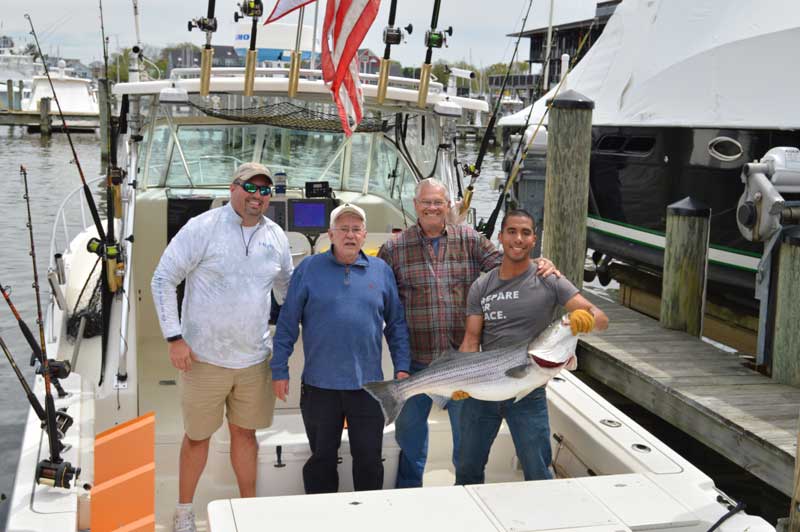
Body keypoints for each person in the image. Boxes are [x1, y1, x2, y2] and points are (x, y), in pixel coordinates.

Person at [377, 178, 559, 488]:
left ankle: (467, 497)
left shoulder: (470, 239)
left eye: (438, 202)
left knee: (467, 448)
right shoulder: (394, 248)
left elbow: (509, 266)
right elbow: (379, 297)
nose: (432, 208)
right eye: (426, 202)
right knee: (409, 440)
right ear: (415, 205)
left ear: (448, 206)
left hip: (466, 364)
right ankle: (409, 494)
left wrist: (541, 265)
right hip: (416, 362)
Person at [151, 162, 293, 532]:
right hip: (203, 358)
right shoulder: (202, 228)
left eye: (265, 191)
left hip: (254, 360)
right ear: (234, 187)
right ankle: (183, 512)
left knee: (245, 435)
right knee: (197, 437)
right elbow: (163, 279)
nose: (258, 196)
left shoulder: (276, 236)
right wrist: (174, 337)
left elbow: (286, 291)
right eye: (251, 187)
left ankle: (248, 510)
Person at [455, 209, 609, 485]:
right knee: (466, 466)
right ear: (500, 237)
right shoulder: (481, 286)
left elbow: (601, 319)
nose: (518, 238)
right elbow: (470, 340)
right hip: (484, 388)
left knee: (538, 469)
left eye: (526, 233)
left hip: (529, 390)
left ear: (534, 240)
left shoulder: (549, 278)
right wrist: (461, 381)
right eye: (511, 231)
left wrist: (583, 318)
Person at [271, 203, 411, 494]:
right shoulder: (309, 269)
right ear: (330, 235)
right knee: (322, 459)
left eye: (356, 229)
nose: (350, 235)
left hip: (370, 387)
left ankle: (367, 515)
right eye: (343, 229)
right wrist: (279, 368)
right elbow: (287, 322)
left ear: (364, 236)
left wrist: (402, 367)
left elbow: (396, 324)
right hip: (320, 386)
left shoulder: (382, 271)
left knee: (370, 460)